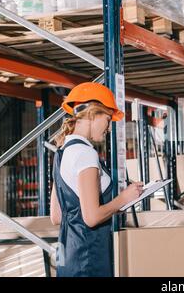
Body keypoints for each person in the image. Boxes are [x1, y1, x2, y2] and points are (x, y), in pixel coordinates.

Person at [49, 82, 143, 277]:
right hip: (89, 258)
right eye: (107, 119)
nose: (109, 127)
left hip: (68, 257)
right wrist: (124, 198)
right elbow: (91, 217)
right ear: (92, 115)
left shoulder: (61, 153)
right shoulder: (85, 154)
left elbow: (57, 217)